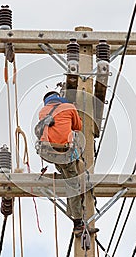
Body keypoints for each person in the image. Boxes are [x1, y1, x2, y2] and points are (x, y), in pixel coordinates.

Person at [38, 91, 98, 236]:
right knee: (73, 184)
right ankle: (78, 223)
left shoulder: (42, 112)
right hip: (64, 153)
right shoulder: (69, 107)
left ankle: (75, 214)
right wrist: (75, 111)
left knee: (68, 177)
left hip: (48, 153)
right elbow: (78, 127)